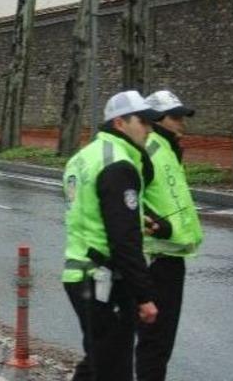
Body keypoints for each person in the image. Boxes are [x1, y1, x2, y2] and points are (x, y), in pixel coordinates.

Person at [62, 90, 163, 381]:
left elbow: (89, 212)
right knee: (114, 370)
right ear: (120, 123)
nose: (148, 129)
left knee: (98, 362)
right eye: (143, 121)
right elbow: (124, 238)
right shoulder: (119, 164)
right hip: (103, 280)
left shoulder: (83, 157)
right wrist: (144, 295)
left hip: (79, 274)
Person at [136, 90, 204, 381]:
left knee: (160, 342)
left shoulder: (169, 149)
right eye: (175, 117)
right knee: (154, 342)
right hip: (155, 258)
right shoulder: (149, 148)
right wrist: (149, 220)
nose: (182, 123)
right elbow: (125, 194)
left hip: (172, 257)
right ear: (157, 118)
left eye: (182, 117)